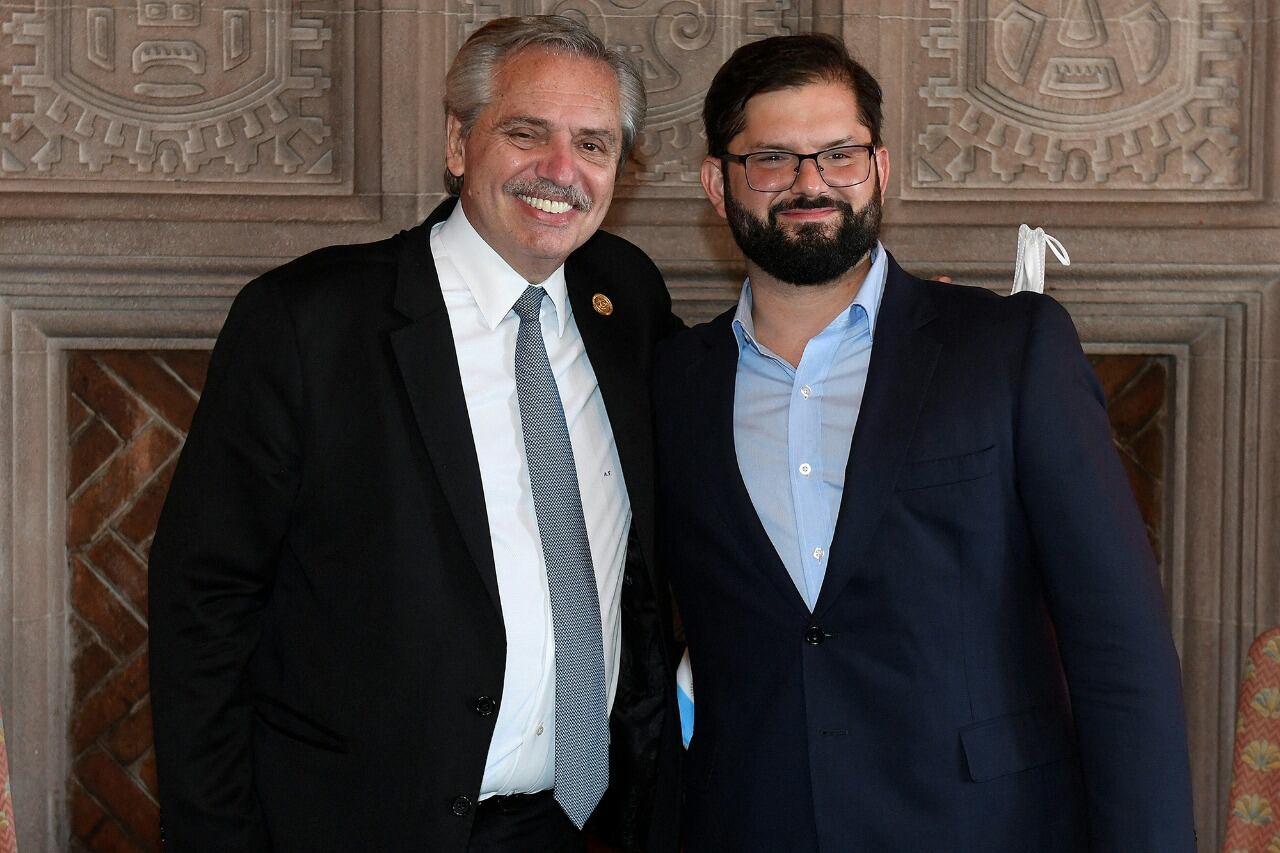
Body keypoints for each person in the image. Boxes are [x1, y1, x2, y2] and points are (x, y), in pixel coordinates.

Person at [148, 16, 682, 853]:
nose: (561, 171)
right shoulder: (309, 323)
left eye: (594, 144)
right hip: (359, 825)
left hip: (573, 825)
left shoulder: (629, 302)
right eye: (526, 133)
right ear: (460, 143)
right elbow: (202, 609)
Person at [654, 34, 1196, 851]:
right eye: (772, 158)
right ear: (716, 183)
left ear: (880, 169)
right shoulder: (671, 384)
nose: (811, 183)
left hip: (987, 825)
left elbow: (1121, 651)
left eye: (840, 154)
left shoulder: (1009, 349)